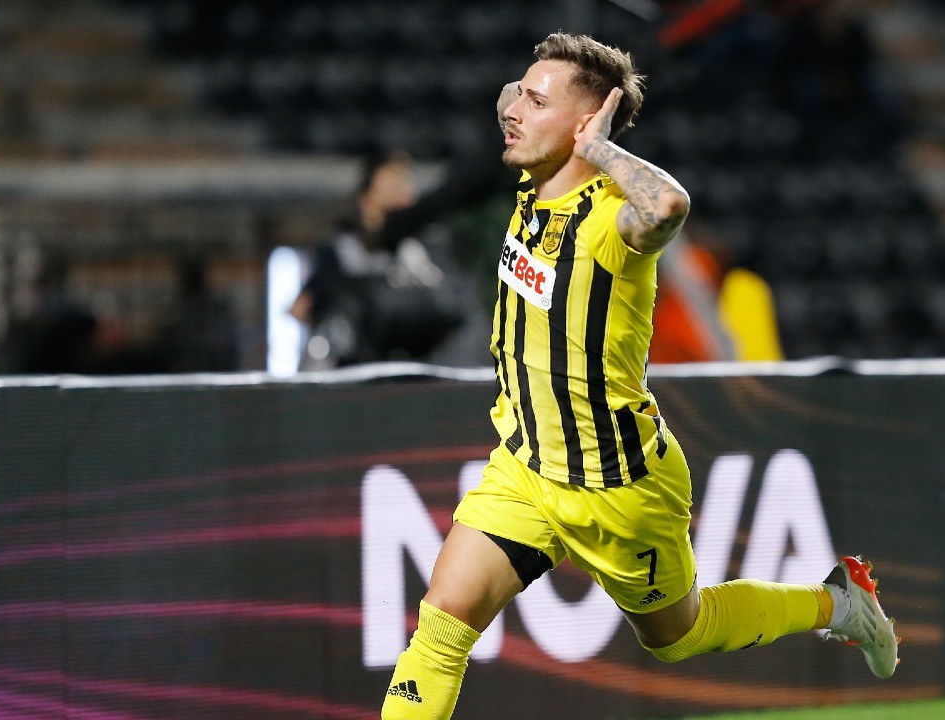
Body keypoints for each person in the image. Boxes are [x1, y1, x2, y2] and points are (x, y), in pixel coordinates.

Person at [380, 33, 898, 720]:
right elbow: (511, 106)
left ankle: (839, 603)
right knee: (442, 622)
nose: (514, 111)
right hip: (526, 468)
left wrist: (600, 147)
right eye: (519, 95)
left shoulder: (611, 223)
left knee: (679, 635)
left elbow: (669, 207)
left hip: (617, 485)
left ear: (584, 128)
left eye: (537, 102)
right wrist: (539, 95)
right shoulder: (532, 185)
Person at [290, 150, 461, 368]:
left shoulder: (421, 252)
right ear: (366, 200)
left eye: (402, 190)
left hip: (410, 366)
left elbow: (449, 309)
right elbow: (300, 308)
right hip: (352, 369)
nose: (401, 200)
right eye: (390, 192)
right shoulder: (342, 250)